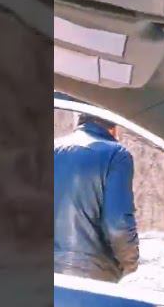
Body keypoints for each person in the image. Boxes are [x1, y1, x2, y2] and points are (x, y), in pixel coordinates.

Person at [54, 113, 141, 282]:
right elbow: (117, 225)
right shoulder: (116, 154)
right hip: (92, 275)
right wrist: (130, 265)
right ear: (113, 126)